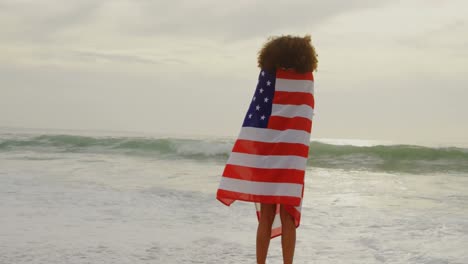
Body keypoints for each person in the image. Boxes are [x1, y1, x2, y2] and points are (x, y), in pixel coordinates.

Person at [217, 35, 318, 264]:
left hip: (268, 156)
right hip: (292, 158)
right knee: (288, 216)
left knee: (267, 215)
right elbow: (305, 119)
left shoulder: (269, 77)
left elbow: (257, 115)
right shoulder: (305, 80)